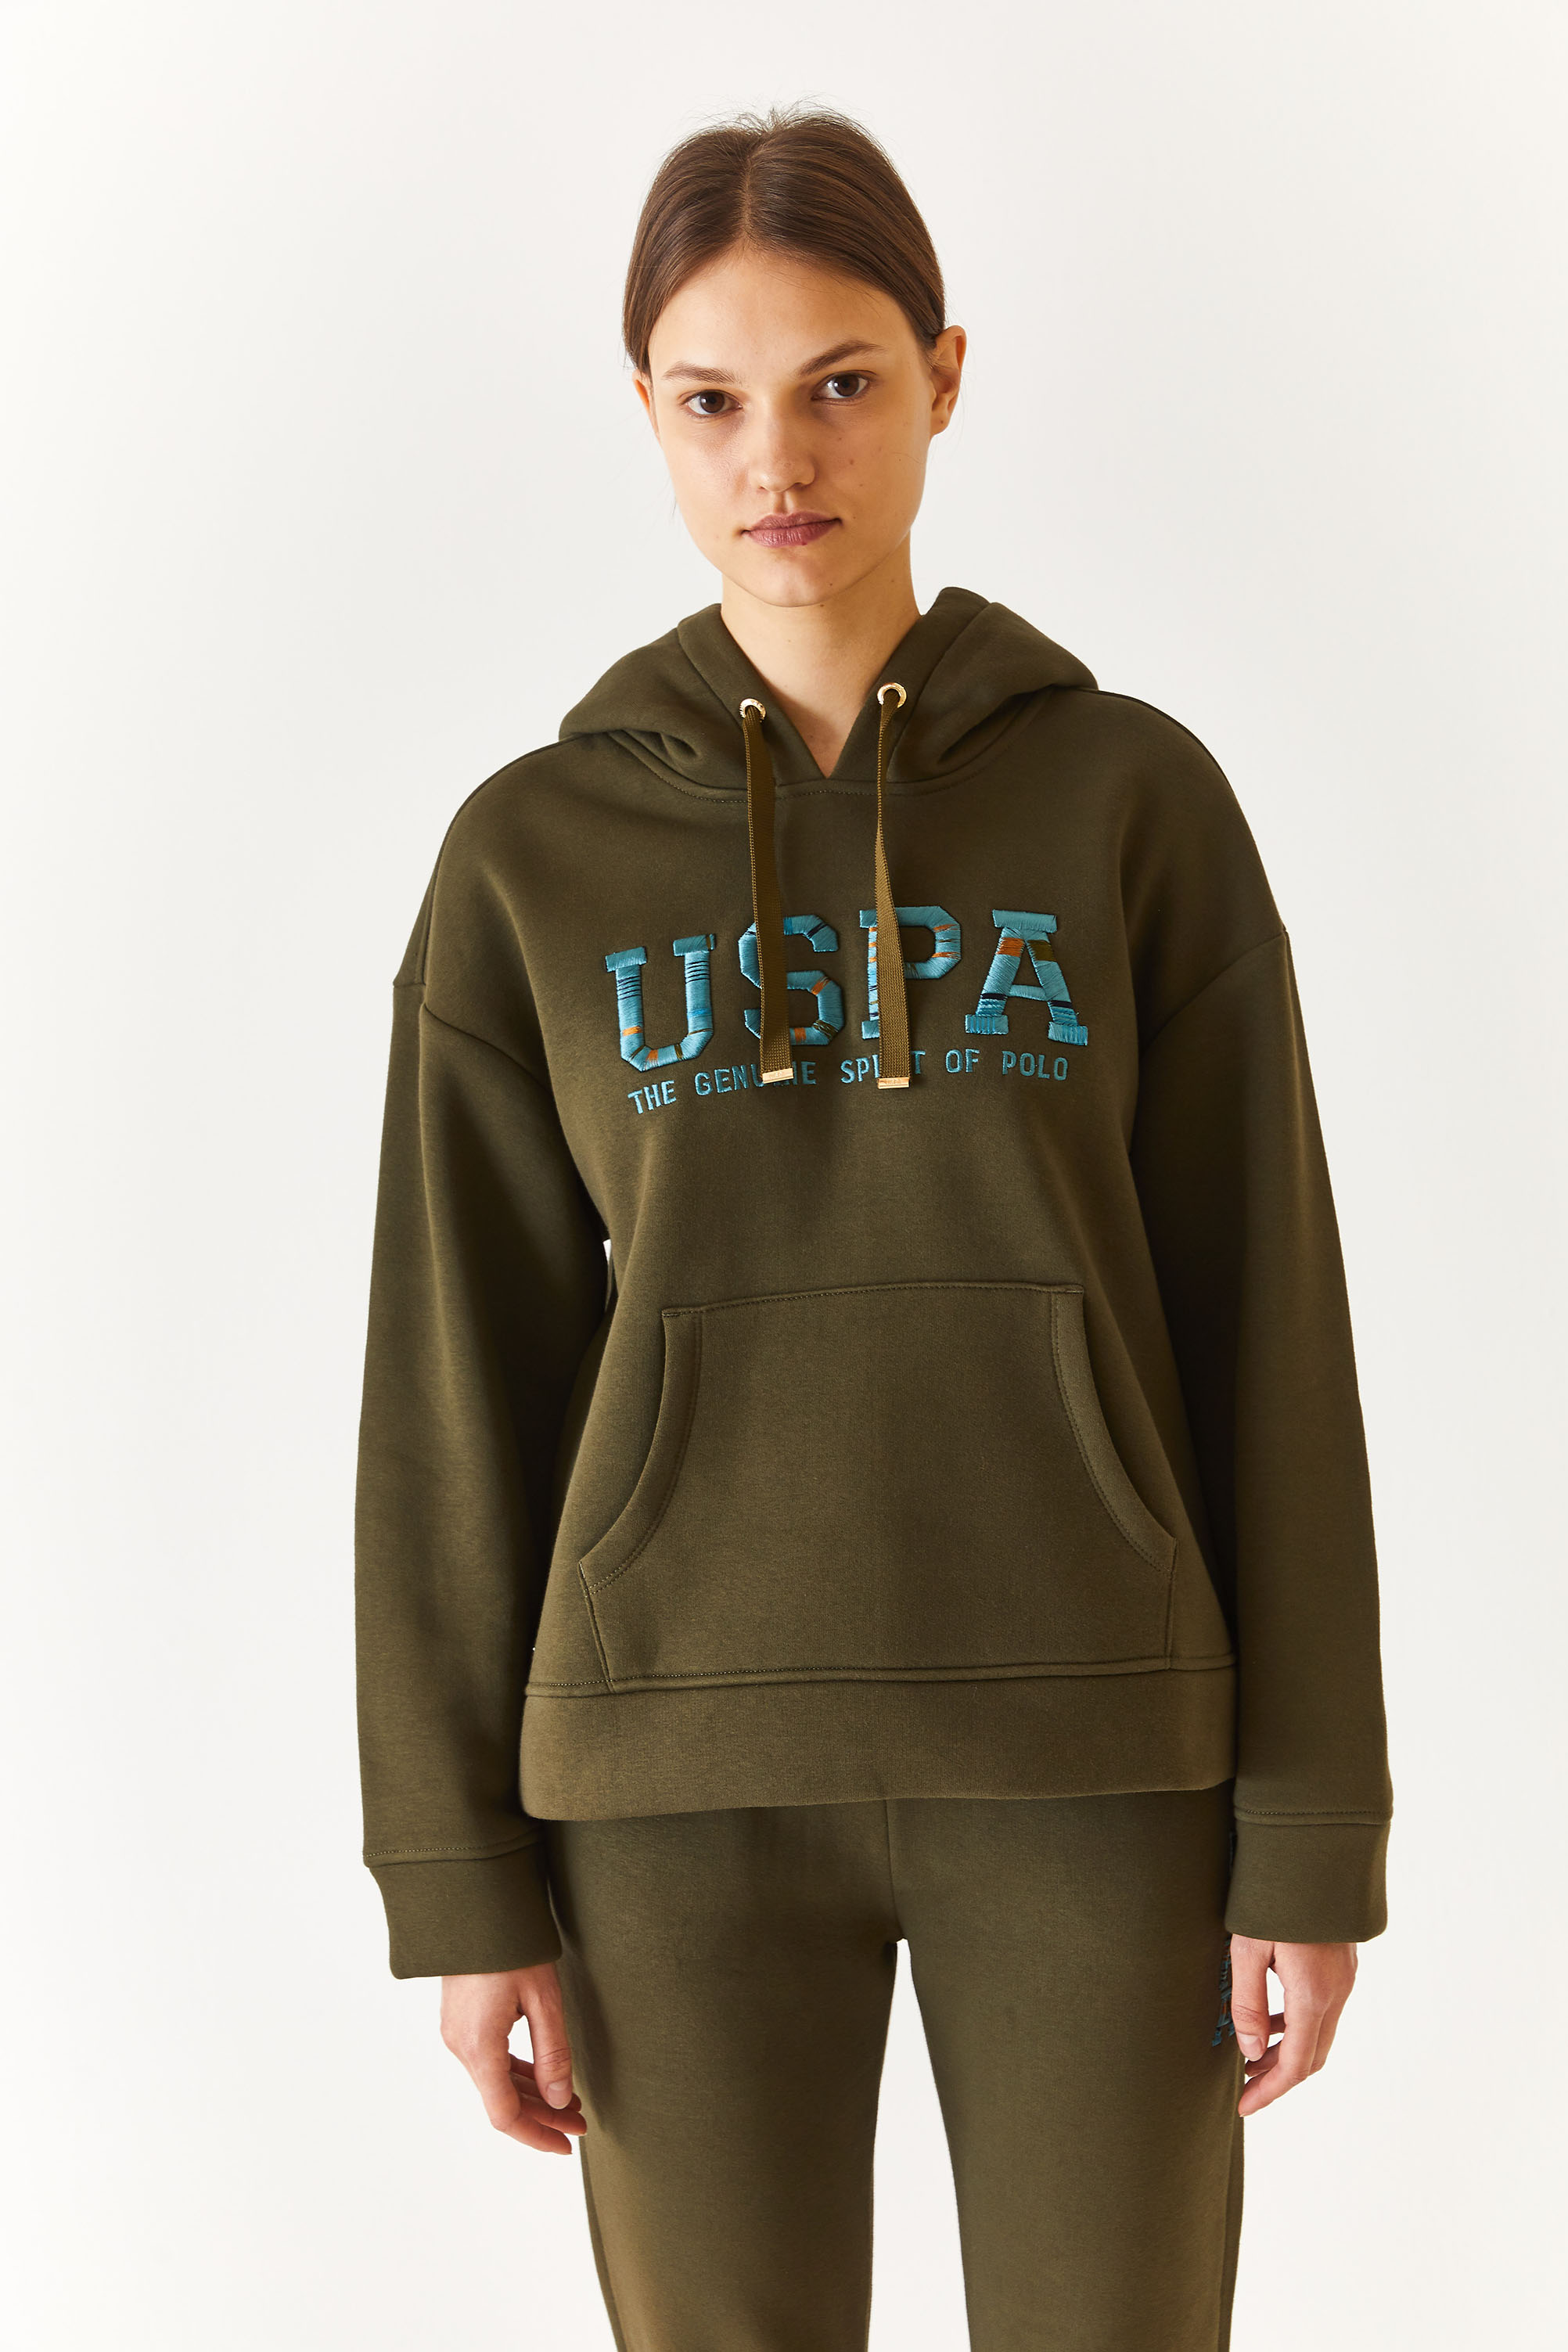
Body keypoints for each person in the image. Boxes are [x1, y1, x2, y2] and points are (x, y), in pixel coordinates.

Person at [354, 105, 1393, 2352]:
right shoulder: (531, 857)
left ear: (942, 374)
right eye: (710, 399)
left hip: (1101, 1752)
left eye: (839, 382)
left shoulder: (1128, 801)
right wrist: (456, 1873)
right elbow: (457, 1383)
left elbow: (1269, 1330)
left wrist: (1313, 1830)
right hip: (666, 1777)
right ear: (646, 413)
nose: (778, 458)